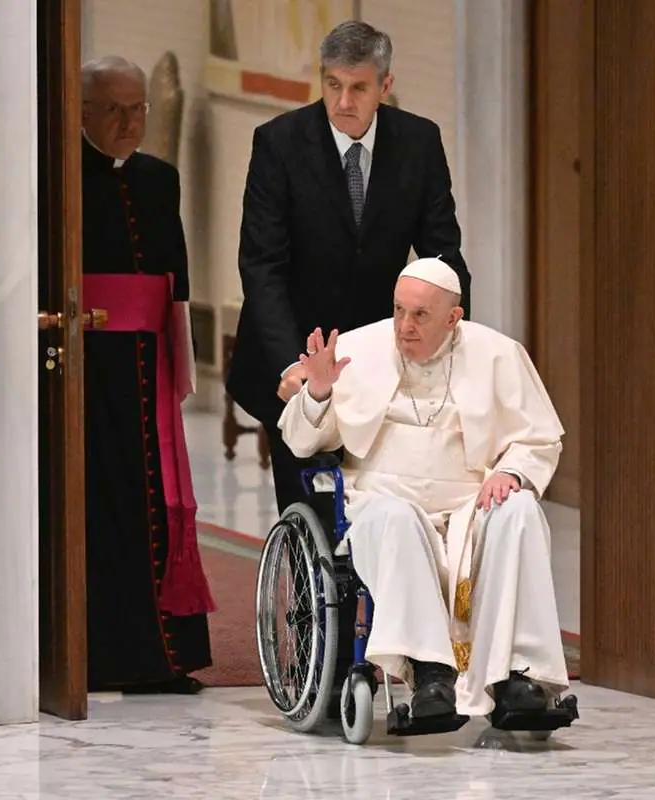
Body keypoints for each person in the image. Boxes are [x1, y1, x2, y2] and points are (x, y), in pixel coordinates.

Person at [277, 257, 569, 719]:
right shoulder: (358, 349)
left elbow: (538, 437)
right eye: (399, 311)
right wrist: (318, 392)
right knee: (396, 517)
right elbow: (303, 441)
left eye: (421, 315)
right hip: (383, 499)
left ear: (454, 318)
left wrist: (511, 472)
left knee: (520, 511)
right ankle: (431, 673)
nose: (405, 327)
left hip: (470, 505)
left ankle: (518, 676)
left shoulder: (498, 354)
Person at [227, 20, 471, 515]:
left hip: (380, 358)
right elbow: (262, 266)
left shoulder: (418, 143)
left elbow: (442, 256)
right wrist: (290, 364)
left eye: (358, 87)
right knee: (309, 513)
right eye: (333, 85)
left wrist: (447, 336)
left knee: (382, 511)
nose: (343, 101)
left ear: (385, 85)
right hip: (295, 353)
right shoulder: (279, 144)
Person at [79, 55, 215, 694]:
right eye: (114, 108)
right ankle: (98, 656)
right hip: (86, 367)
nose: (130, 121)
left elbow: (174, 279)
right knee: (98, 504)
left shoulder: (160, 178)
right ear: (81, 110)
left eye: (138, 108)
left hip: (146, 365)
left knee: (157, 503)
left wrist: (179, 362)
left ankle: (160, 657)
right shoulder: (60, 175)